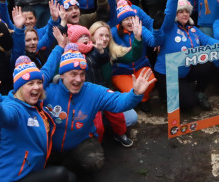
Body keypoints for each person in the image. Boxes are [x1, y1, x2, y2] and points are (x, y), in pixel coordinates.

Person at [41, 45, 152, 175]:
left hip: (80, 143)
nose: (78, 79)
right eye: (73, 74)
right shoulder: (47, 92)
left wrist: (135, 94)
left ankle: (72, 170)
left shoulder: (92, 91)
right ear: (62, 76)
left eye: (82, 74)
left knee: (94, 162)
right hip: (50, 146)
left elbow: (118, 102)